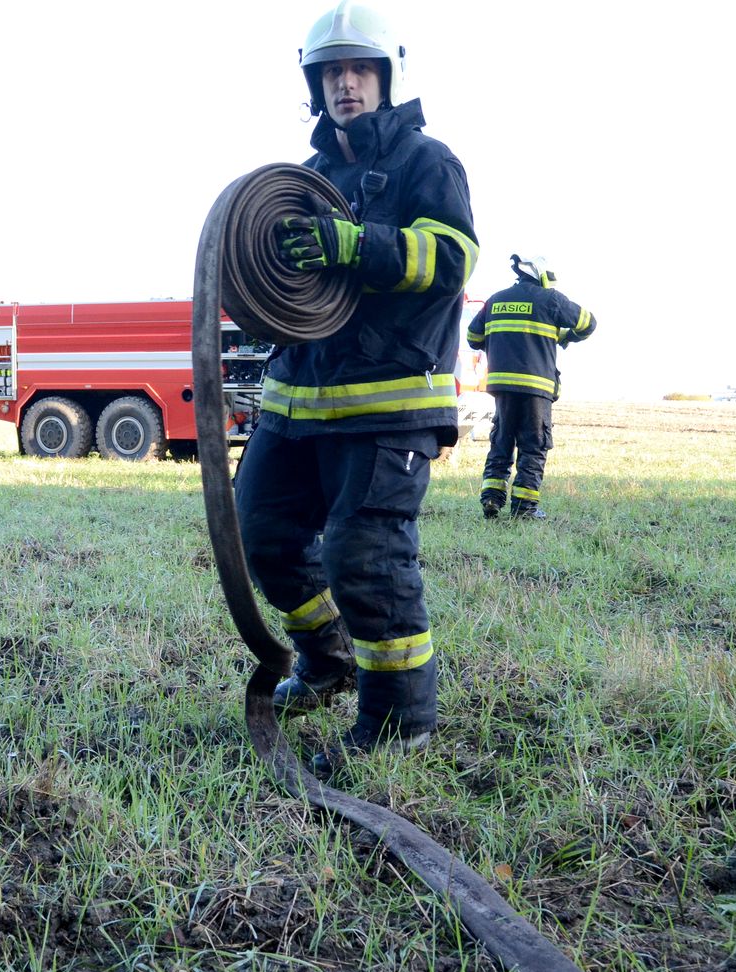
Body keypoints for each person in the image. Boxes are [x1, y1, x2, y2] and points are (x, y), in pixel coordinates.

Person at [234, 1, 479, 778]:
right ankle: (327, 658)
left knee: (364, 555)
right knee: (261, 529)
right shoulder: (307, 177)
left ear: (386, 76)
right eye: (332, 72)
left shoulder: (427, 162)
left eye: (359, 70)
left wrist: (355, 244)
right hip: (297, 402)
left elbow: (449, 258)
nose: (345, 84)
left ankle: (399, 719)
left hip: (388, 405)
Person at [467, 255, 596, 519]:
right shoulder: (551, 299)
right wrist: (564, 336)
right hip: (536, 387)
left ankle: (491, 498)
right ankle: (524, 508)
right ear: (542, 275)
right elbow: (587, 323)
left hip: (502, 386)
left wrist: (501, 340)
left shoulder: (496, 299)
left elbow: (472, 336)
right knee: (534, 445)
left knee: (501, 442)